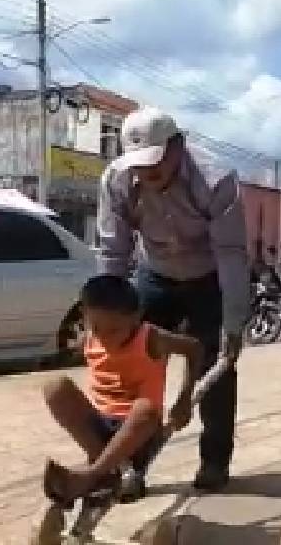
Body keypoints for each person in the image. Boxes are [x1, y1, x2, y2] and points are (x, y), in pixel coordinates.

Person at [97, 107, 250, 491]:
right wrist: (106, 316)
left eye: (155, 164)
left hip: (209, 276)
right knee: (135, 363)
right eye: (138, 167)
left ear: (177, 147)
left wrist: (233, 323)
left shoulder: (215, 180)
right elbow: (113, 251)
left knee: (215, 370)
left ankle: (214, 462)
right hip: (154, 274)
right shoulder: (117, 180)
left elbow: (232, 253)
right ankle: (133, 466)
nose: (147, 175)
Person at [42, 275, 202, 504]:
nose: (105, 338)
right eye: (96, 328)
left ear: (135, 318)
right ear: (84, 317)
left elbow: (194, 348)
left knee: (145, 408)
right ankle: (107, 471)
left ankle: (93, 475)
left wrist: (184, 399)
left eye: (115, 330)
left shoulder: (150, 338)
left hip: (140, 429)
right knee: (55, 387)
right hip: (101, 427)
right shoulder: (89, 337)